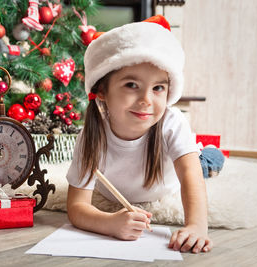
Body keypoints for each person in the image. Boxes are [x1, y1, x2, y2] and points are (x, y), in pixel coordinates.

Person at [66, 15, 223, 254]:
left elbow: (190, 176)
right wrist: (109, 223)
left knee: (203, 165)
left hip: (173, 175)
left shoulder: (172, 123)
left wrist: (197, 226)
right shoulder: (91, 135)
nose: (146, 101)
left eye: (158, 88)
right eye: (131, 85)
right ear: (101, 90)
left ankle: (209, 153)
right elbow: (77, 206)